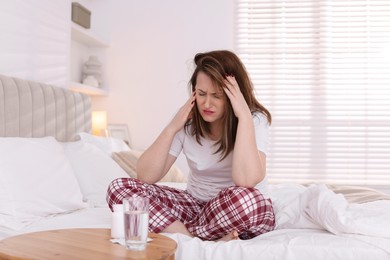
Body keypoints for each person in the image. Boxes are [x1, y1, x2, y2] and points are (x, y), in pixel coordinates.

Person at [106, 50, 275, 241]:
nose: (207, 103)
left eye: (217, 96)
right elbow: (146, 176)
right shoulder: (186, 123)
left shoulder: (254, 119)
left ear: (233, 95)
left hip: (238, 208)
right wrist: (172, 127)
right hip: (195, 206)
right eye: (201, 94)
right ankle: (197, 237)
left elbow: (246, 181)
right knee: (119, 187)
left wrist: (243, 116)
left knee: (246, 200)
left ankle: (185, 232)